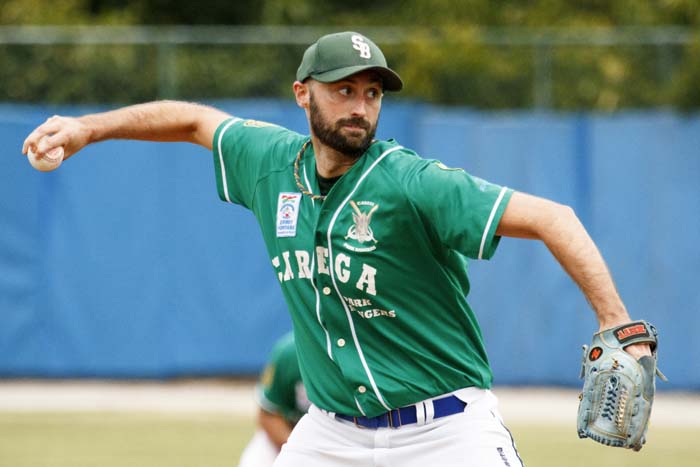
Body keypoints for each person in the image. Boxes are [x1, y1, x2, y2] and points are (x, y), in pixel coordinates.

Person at [23, 31, 651, 467]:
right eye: (343, 90)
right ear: (304, 93)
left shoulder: (412, 183)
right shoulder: (269, 163)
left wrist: (613, 318)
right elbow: (193, 121)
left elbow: (554, 218)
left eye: (372, 93)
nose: (360, 106)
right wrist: (87, 127)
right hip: (330, 434)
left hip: (445, 429)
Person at [238, 331, 309, 467]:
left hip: (340, 438)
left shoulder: (354, 355)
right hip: (286, 435)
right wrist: (298, 452)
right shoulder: (289, 352)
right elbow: (268, 415)